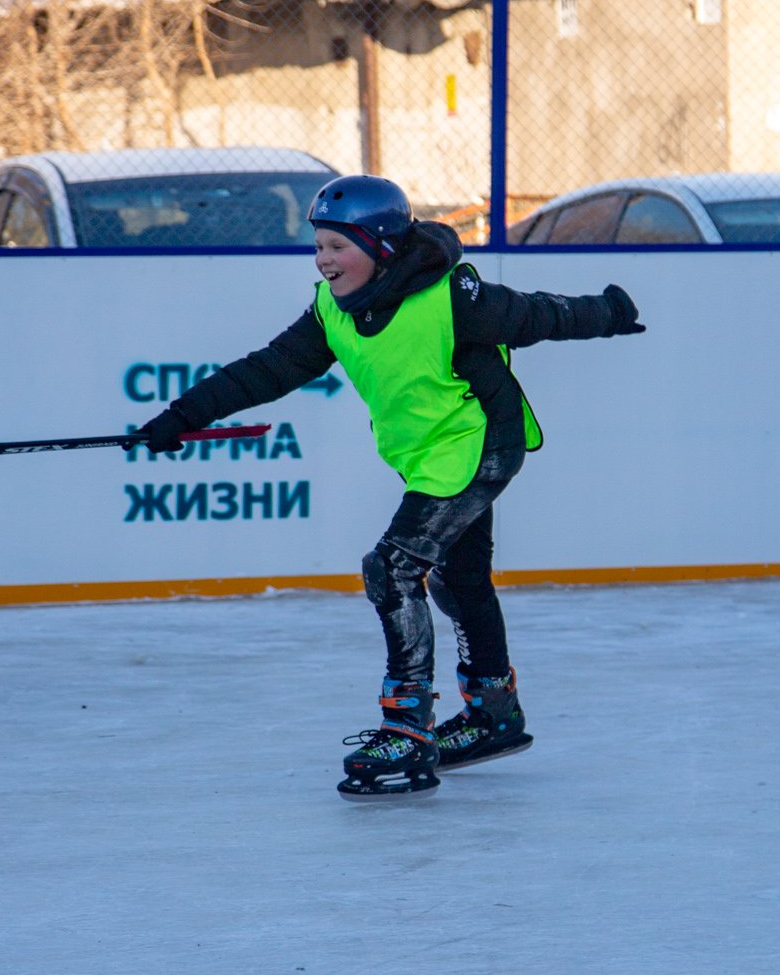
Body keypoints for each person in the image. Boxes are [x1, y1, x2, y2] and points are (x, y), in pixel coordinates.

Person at [137, 174, 646, 800]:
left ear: (379, 246)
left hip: (478, 445)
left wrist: (610, 314)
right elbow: (265, 370)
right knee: (461, 582)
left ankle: (406, 726)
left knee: (393, 567)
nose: (323, 260)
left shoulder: (449, 296)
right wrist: (180, 417)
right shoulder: (333, 310)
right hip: (425, 456)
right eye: (318, 246)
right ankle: (494, 713)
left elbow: (537, 315)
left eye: (336, 247)